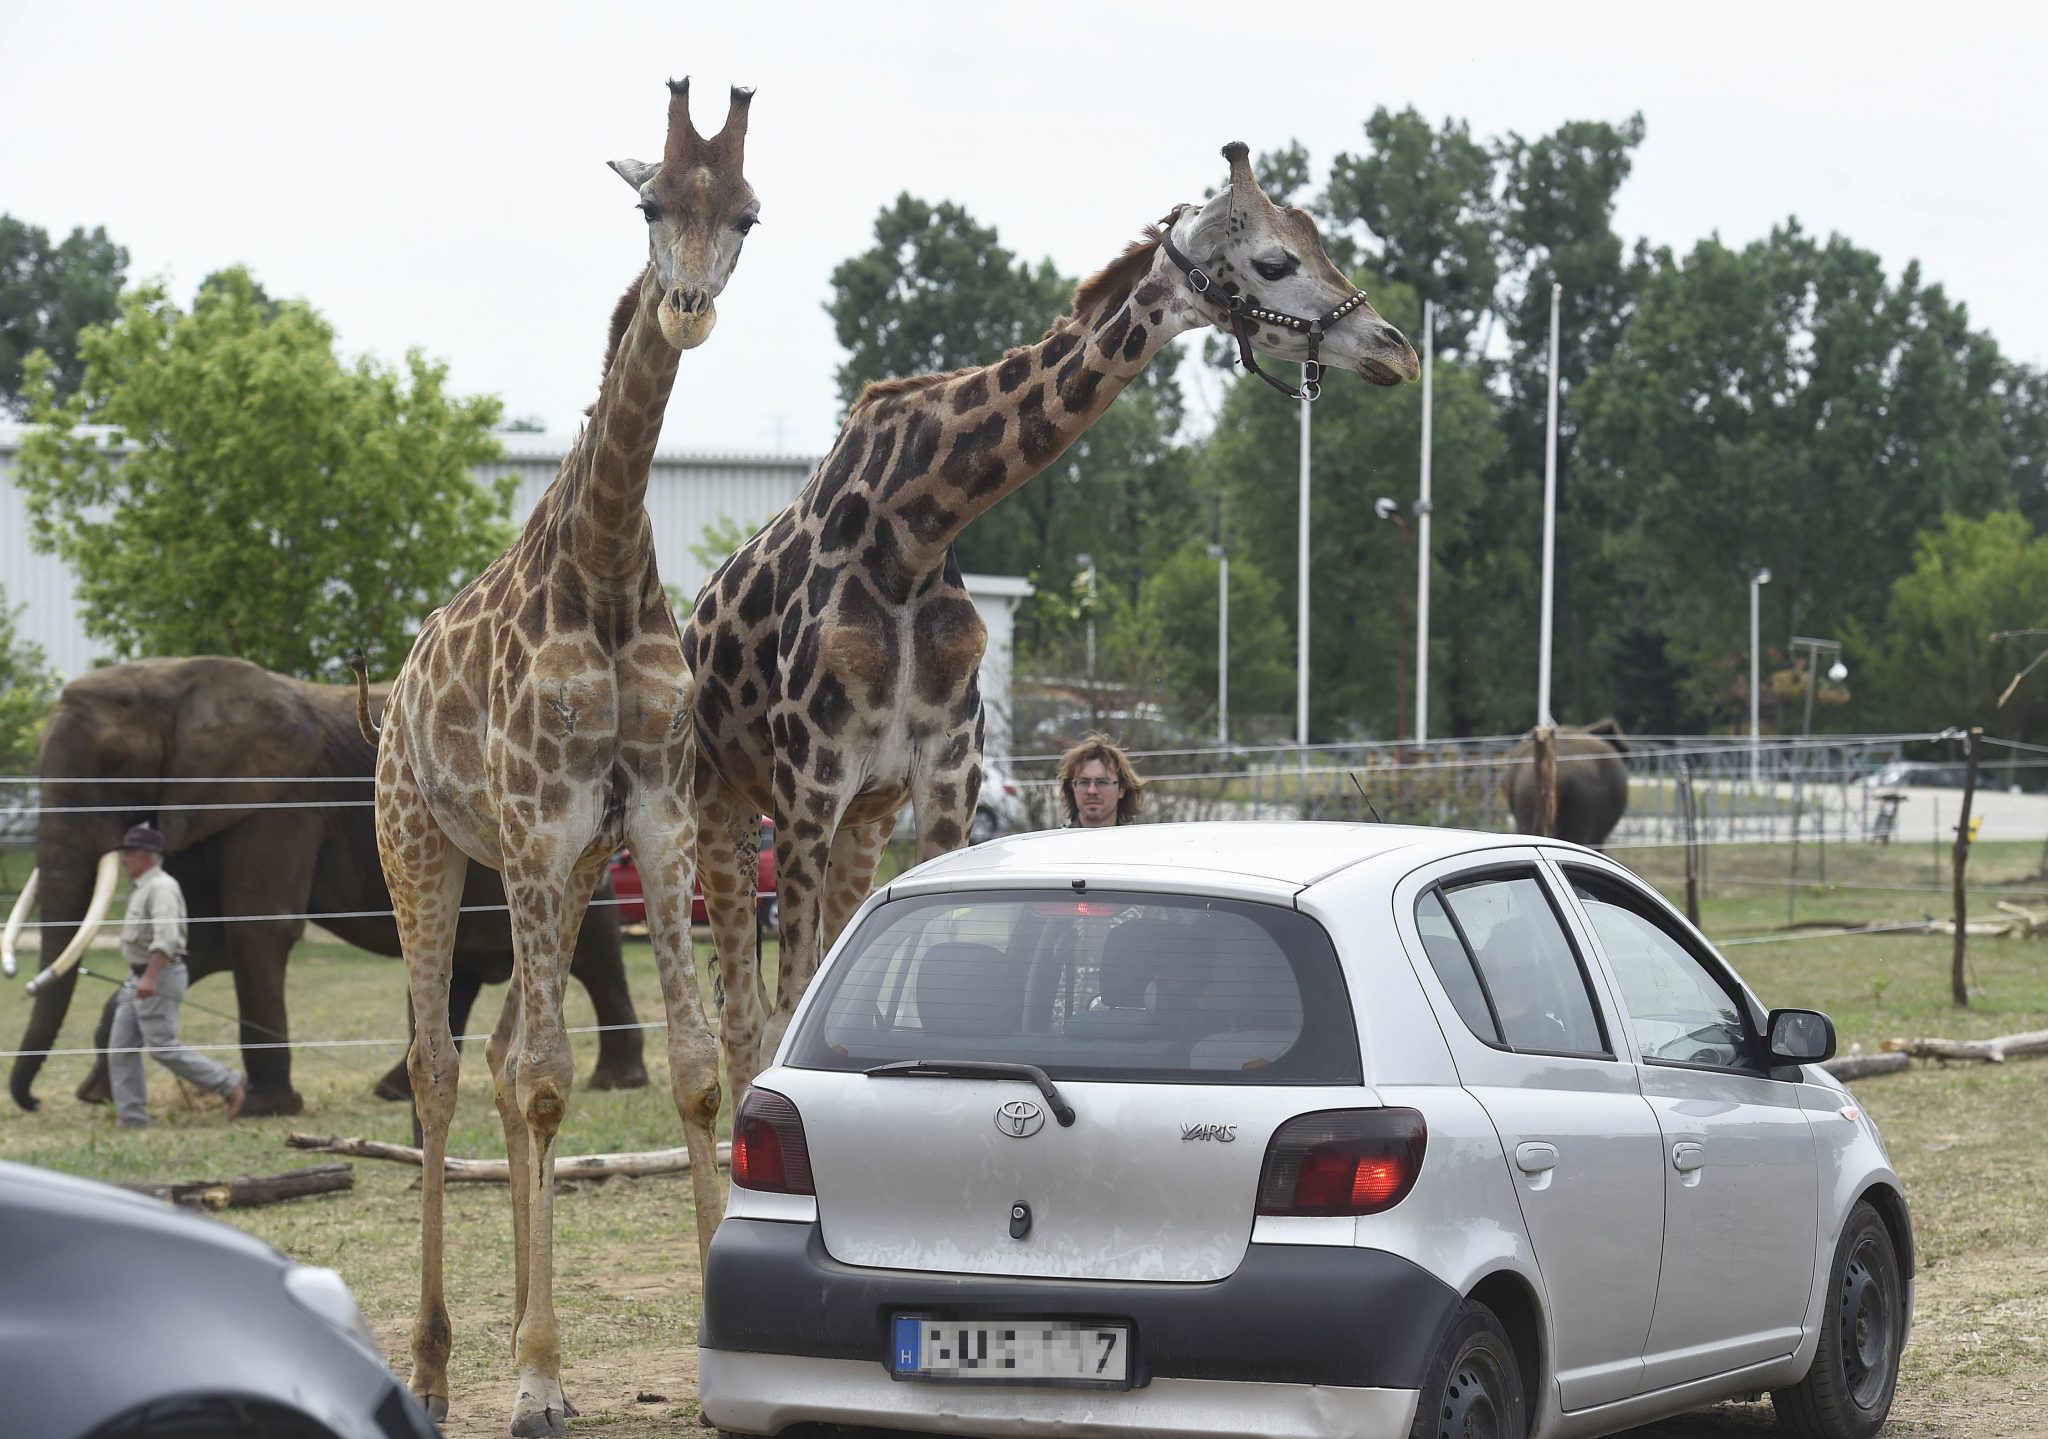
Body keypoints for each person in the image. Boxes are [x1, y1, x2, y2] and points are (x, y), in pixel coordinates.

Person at [108, 824, 244, 1128]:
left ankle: (230, 1084)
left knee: (162, 1046)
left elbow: (166, 938)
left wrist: (150, 978)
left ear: (146, 855)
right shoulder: (143, 886)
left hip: (159, 974)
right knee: (120, 1047)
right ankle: (132, 1120)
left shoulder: (161, 888)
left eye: (129, 852)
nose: (124, 858)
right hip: (139, 976)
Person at [1057, 733, 1146, 829]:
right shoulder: (1056, 842)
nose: (1092, 791)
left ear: (1121, 789)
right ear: (1072, 787)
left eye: (1102, 782)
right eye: (1084, 782)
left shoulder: (1137, 842)